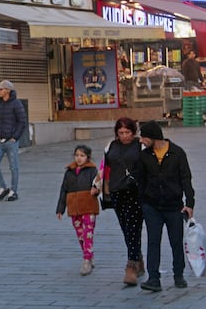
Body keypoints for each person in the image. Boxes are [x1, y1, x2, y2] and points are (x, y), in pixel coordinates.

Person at [137, 120, 195, 292]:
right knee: (153, 242)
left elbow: (186, 179)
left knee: (176, 241)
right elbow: (141, 181)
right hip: (151, 206)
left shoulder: (177, 153)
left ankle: (179, 275)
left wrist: (190, 203)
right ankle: (153, 278)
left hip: (174, 206)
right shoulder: (145, 155)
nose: (141, 140)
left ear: (153, 137)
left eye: (144, 137)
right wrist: (143, 204)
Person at [102, 116, 144, 286]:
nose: (125, 136)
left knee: (134, 228)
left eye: (128, 132)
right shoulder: (111, 146)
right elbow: (106, 168)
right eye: (121, 133)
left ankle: (131, 266)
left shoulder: (140, 146)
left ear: (133, 132)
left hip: (135, 193)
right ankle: (138, 259)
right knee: (126, 229)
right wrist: (104, 188)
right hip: (116, 191)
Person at [55, 144, 101, 276]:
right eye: (77, 155)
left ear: (88, 157)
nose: (79, 158)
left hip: (88, 206)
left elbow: (98, 184)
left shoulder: (92, 170)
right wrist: (60, 209)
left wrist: (96, 190)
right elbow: (64, 190)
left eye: (82, 155)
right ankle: (88, 254)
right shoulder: (69, 171)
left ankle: (86, 260)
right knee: (80, 235)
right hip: (74, 208)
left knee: (88, 233)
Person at [0, 80, 26, 202]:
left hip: (11, 141)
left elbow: (22, 122)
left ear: (8, 90)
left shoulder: (16, 104)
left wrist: (14, 138)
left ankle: (13, 191)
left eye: (1, 89)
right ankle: (3, 187)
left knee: (14, 167)